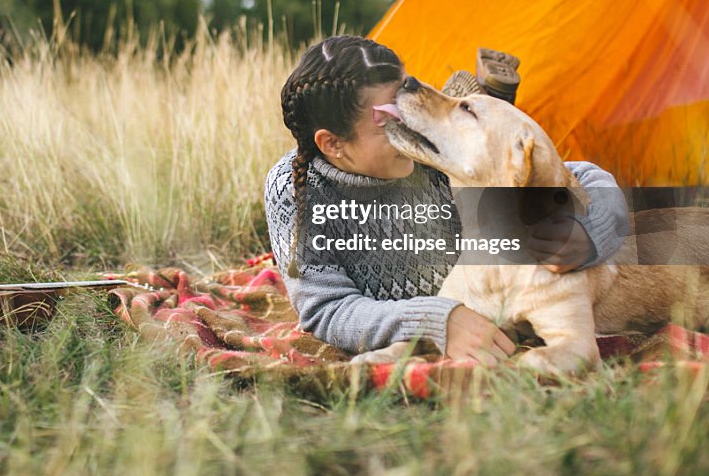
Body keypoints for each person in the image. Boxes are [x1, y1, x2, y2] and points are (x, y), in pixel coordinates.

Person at [264, 35, 628, 365]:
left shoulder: (421, 152)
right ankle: (481, 91)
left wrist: (590, 235)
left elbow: (574, 173)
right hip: (453, 300)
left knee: (450, 113)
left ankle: (478, 92)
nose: (404, 120)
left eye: (401, 100)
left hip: (486, 284)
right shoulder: (295, 193)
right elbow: (326, 310)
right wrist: (436, 319)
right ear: (333, 144)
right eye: (386, 117)